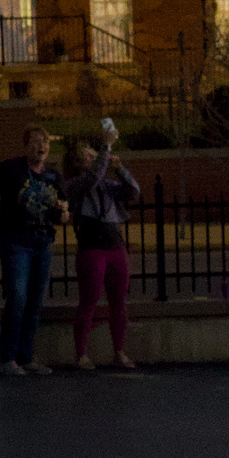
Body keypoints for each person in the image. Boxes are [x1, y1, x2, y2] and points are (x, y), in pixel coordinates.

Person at [0, 124, 65, 376]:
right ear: (26, 145)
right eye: (36, 142)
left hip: (42, 241)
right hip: (15, 241)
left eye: (46, 142)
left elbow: (62, 210)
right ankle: (7, 358)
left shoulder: (53, 176)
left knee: (35, 300)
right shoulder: (11, 169)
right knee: (17, 297)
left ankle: (27, 356)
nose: (41, 147)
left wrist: (63, 213)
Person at [62, 126, 141, 370]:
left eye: (93, 155)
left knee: (119, 299)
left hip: (114, 243)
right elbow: (92, 178)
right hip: (92, 246)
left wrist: (120, 170)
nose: (93, 158)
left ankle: (119, 350)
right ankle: (81, 353)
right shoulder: (76, 183)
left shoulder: (106, 184)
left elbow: (133, 192)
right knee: (90, 300)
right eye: (87, 156)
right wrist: (106, 147)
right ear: (77, 162)